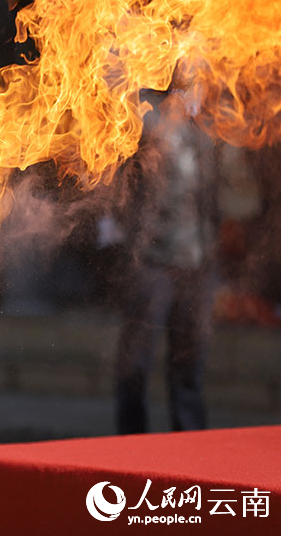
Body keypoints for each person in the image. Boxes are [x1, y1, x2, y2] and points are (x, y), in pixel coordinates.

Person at [114, 79, 220, 434]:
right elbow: (119, 181)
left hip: (198, 260)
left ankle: (191, 448)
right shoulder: (146, 117)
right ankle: (130, 443)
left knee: (190, 363)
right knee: (136, 363)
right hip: (152, 259)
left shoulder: (203, 120)